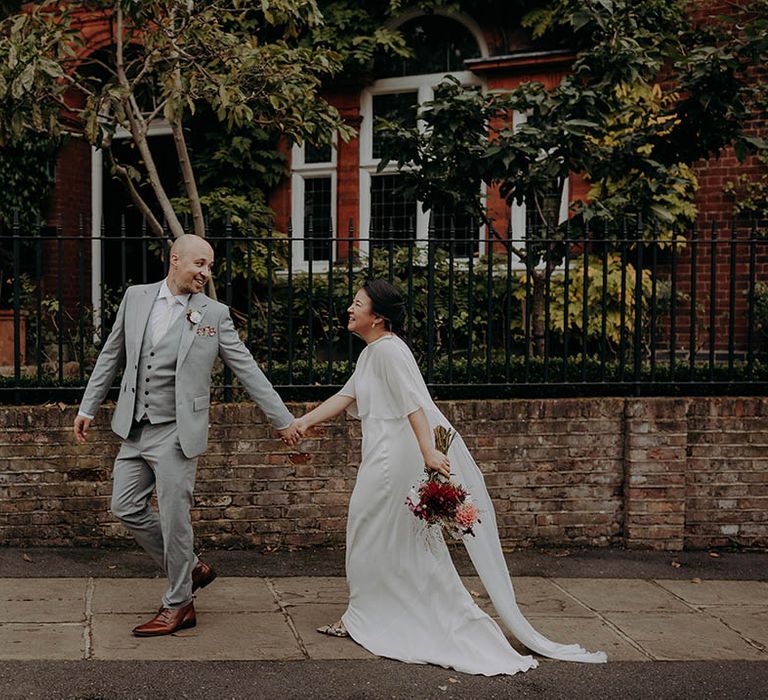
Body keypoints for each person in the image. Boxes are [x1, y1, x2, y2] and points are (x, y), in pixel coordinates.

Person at [295, 279, 606, 676]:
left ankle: (367, 614)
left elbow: (413, 405)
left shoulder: (389, 352)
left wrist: (428, 451)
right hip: (381, 454)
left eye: (358, 304)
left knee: (369, 532)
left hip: (392, 460)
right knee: (377, 536)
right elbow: (346, 396)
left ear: (379, 317)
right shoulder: (373, 353)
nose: (350, 309)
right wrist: (304, 422)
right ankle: (366, 611)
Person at [74, 234, 300, 637]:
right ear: (175, 260)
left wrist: (282, 421)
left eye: (210, 266)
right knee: (124, 506)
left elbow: (247, 370)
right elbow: (112, 354)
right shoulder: (136, 297)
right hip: (134, 426)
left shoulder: (213, 314)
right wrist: (88, 407)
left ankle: (179, 604)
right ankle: (192, 566)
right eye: (199, 264)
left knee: (176, 520)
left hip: (177, 433)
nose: (205, 273)